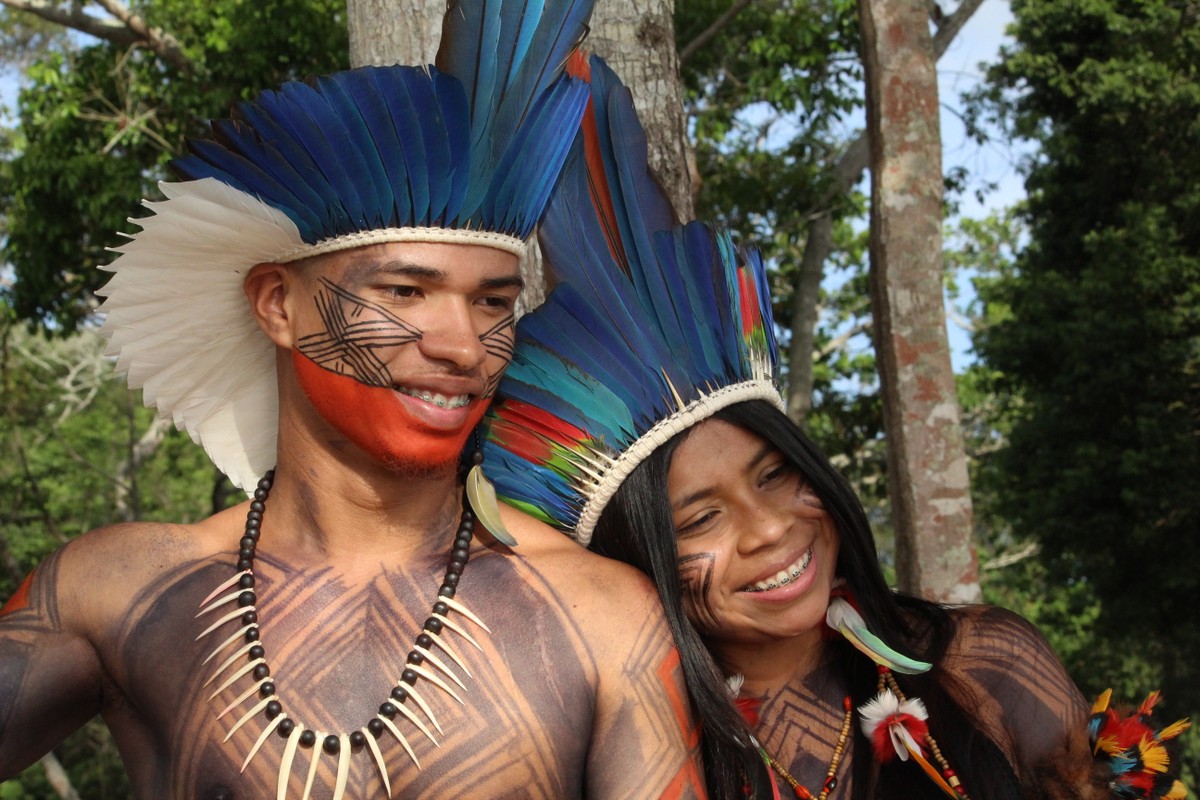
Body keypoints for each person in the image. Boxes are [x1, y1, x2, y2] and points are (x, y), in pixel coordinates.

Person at [0, 4, 707, 798]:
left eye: (492, 303)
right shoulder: (119, 590)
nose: (462, 347)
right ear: (278, 305)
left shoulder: (602, 616)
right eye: (406, 291)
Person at [482, 53, 1190, 800]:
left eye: (775, 475)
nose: (768, 529)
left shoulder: (984, 664)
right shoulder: (626, 749)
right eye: (702, 518)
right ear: (640, 555)